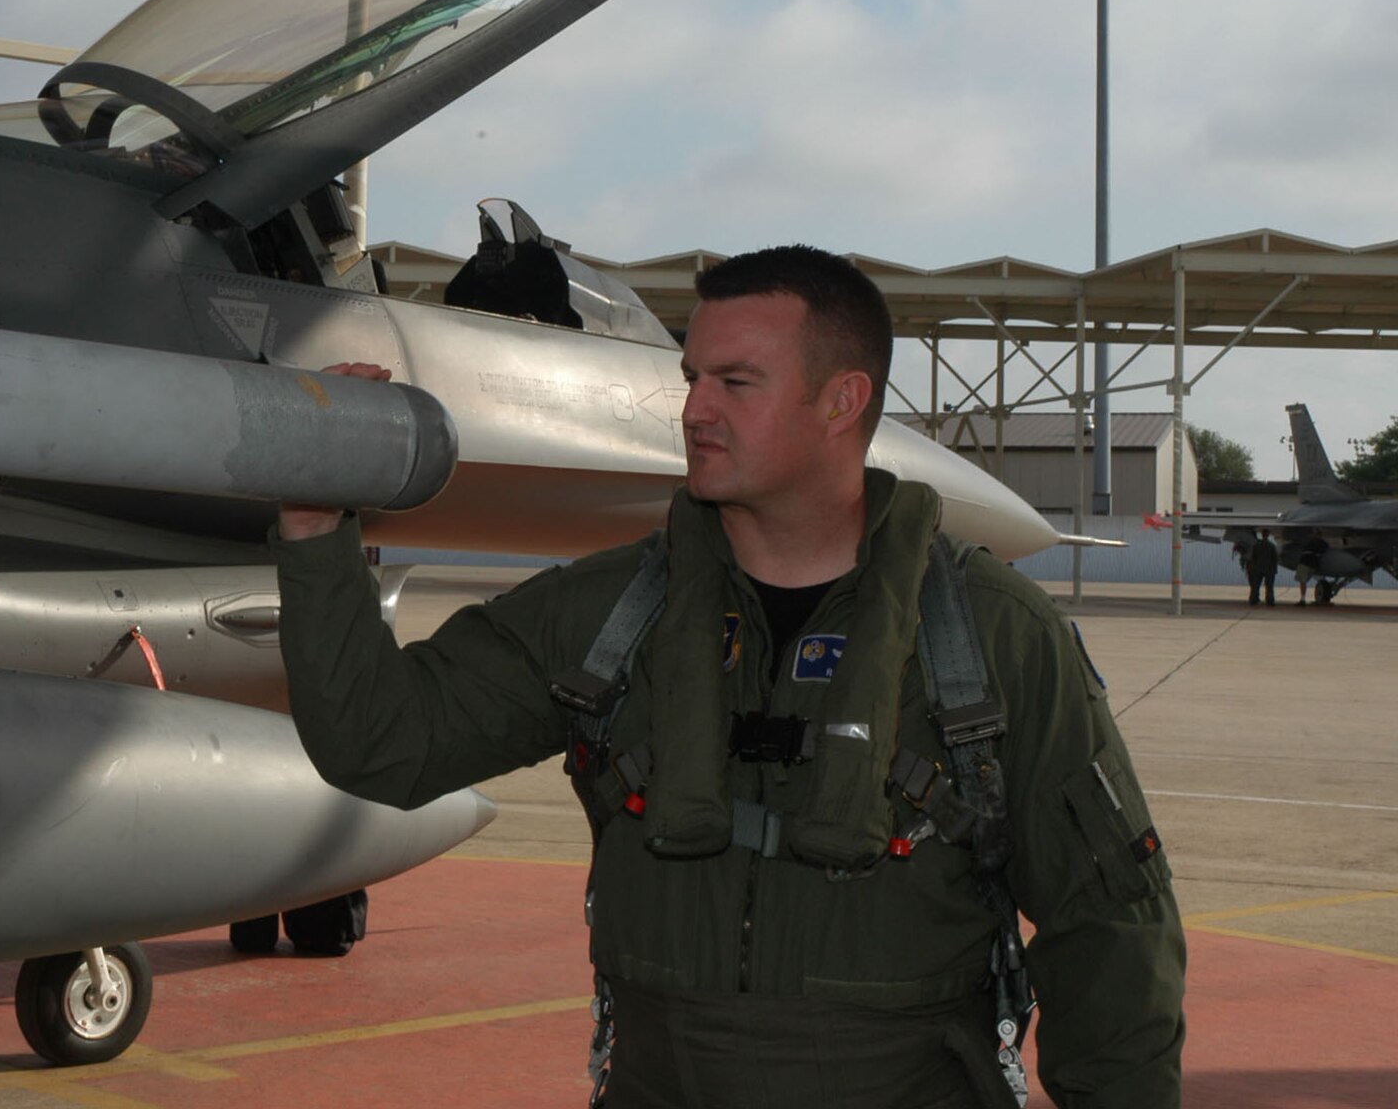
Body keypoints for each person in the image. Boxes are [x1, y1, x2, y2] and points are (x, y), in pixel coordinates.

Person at [273, 244, 1184, 1109]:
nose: (694, 410)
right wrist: (316, 530)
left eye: (735, 383)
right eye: (692, 380)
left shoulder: (989, 636)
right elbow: (379, 743)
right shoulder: (609, 615)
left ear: (842, 402)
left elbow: (1108, 925)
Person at [1248, 529, 1279, 606]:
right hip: (1269, 568)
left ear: (1262, 535)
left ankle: (1253, 600)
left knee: (1255, 586)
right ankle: (1270, 600)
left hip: (1258, 568)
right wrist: (1275, 569)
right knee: (1269, 586)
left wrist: (1253, 567)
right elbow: (1275, 559)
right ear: (1268, 535)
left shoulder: (1256, 545)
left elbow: (1253, 557)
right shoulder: (1272, 546)